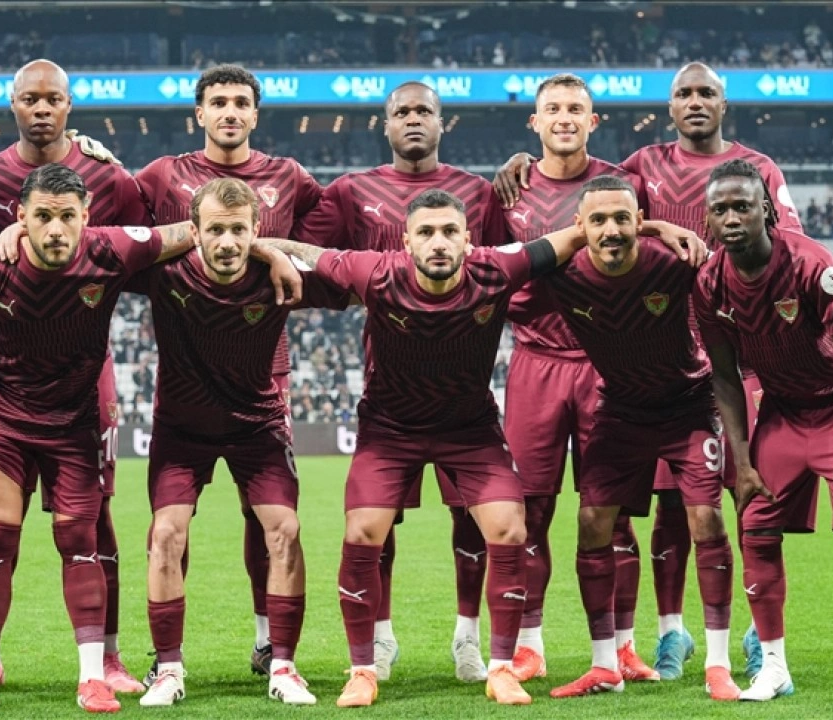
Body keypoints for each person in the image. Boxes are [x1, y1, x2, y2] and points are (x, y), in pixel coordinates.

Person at [494, 62, 801, 681]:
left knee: (724, 502)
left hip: (690, 356)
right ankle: (622, 638)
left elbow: (779, 248)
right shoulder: (621, 169)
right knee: (597, 508)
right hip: (583, 359)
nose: (695, 101)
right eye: (684, 93)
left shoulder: (744, 167)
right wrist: (518, 163)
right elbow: (596, 220)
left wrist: (664, 228)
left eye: (706, 92)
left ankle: (737, 635)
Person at [265, 188, 604, 707]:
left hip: (469, 431)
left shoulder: (496, 269)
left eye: (449, 232)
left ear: (469, 240)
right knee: (362, 532)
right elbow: (312, 254)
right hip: (390, 431)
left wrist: (655, 228)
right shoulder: (375, 272)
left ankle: (500, 668)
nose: (438, 242)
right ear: (407, 242)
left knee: (510, 528)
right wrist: (264, 248)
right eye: (426, 232)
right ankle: (362, 671)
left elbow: (573, 237)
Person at [0, 164, 219, 714]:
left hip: (74, 425)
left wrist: (270, 250)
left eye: (67, 216)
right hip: (5, 421)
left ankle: (93, 678)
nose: (56, 229)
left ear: (87, 216)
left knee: (80, 541)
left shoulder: (110, 250)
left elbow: (193, 230)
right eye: (42, 216)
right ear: (21, 217)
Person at [293, 80, 509, 683]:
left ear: (443, 122)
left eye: (424, 111)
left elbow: (504, 268)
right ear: (384, 124)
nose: (414, 119)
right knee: (376, 523)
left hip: (464, 390)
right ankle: (380, 640)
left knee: (472, 519)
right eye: (402, 112)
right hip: (390, 391)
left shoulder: (479, 193)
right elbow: (310, 258)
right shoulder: (350, 191)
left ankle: (468, 639)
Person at [0, 58, 150, 695]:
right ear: (12, 104)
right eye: (30, 99)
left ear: (69, 105)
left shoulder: (108, 176)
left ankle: (107, 658)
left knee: (96, 519)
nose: (41, 109)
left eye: (52, 99)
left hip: (86, 375)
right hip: (8, 373)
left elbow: (143, 246)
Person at [507, 176, 738, 701]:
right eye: (597, 221)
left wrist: (663, 230)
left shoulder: (675, 262)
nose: (610, 230)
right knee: (592, 522)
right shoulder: (560, 276)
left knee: (705, 519)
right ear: (578, 228)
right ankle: (604, 664)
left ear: (638, 221)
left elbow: (733, 286)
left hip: (688, 405)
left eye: (621, 219)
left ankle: (718, 664)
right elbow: (496, 279)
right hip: (621, 410)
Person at [133, 64, 324, 678]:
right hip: (189, 359)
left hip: (264, 366)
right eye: (218, 102)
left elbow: (325, 238)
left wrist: (270, 250)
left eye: (241, 102)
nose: (230, 112)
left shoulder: (289, 177)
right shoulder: (162, 175)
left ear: (256, 114)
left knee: (262, 514)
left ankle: (269, 639)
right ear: (200, 113)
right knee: (171, 525)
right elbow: (119, 226)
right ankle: (167, 655)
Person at [692, 159, 833, 708]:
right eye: (720, 209)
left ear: (766, 209)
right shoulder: (708, 284)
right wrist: (742, 462)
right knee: (755, 527)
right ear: (708, 219)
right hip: (783, 411)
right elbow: (724, 378)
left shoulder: (809, 262)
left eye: (742, 206)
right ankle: (773, 668)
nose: (732, 218)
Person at [497, 73, 653, 684]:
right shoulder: (506, 191)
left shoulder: (622, 185)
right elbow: (488, 270)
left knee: (613, 515)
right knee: (530, 511)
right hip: (535, 363)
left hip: (610, 366)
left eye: (575, 109)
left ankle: (622, 646)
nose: (564, 117)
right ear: (534, 122)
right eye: (553, 109)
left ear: (593, 121)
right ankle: (530, 645)